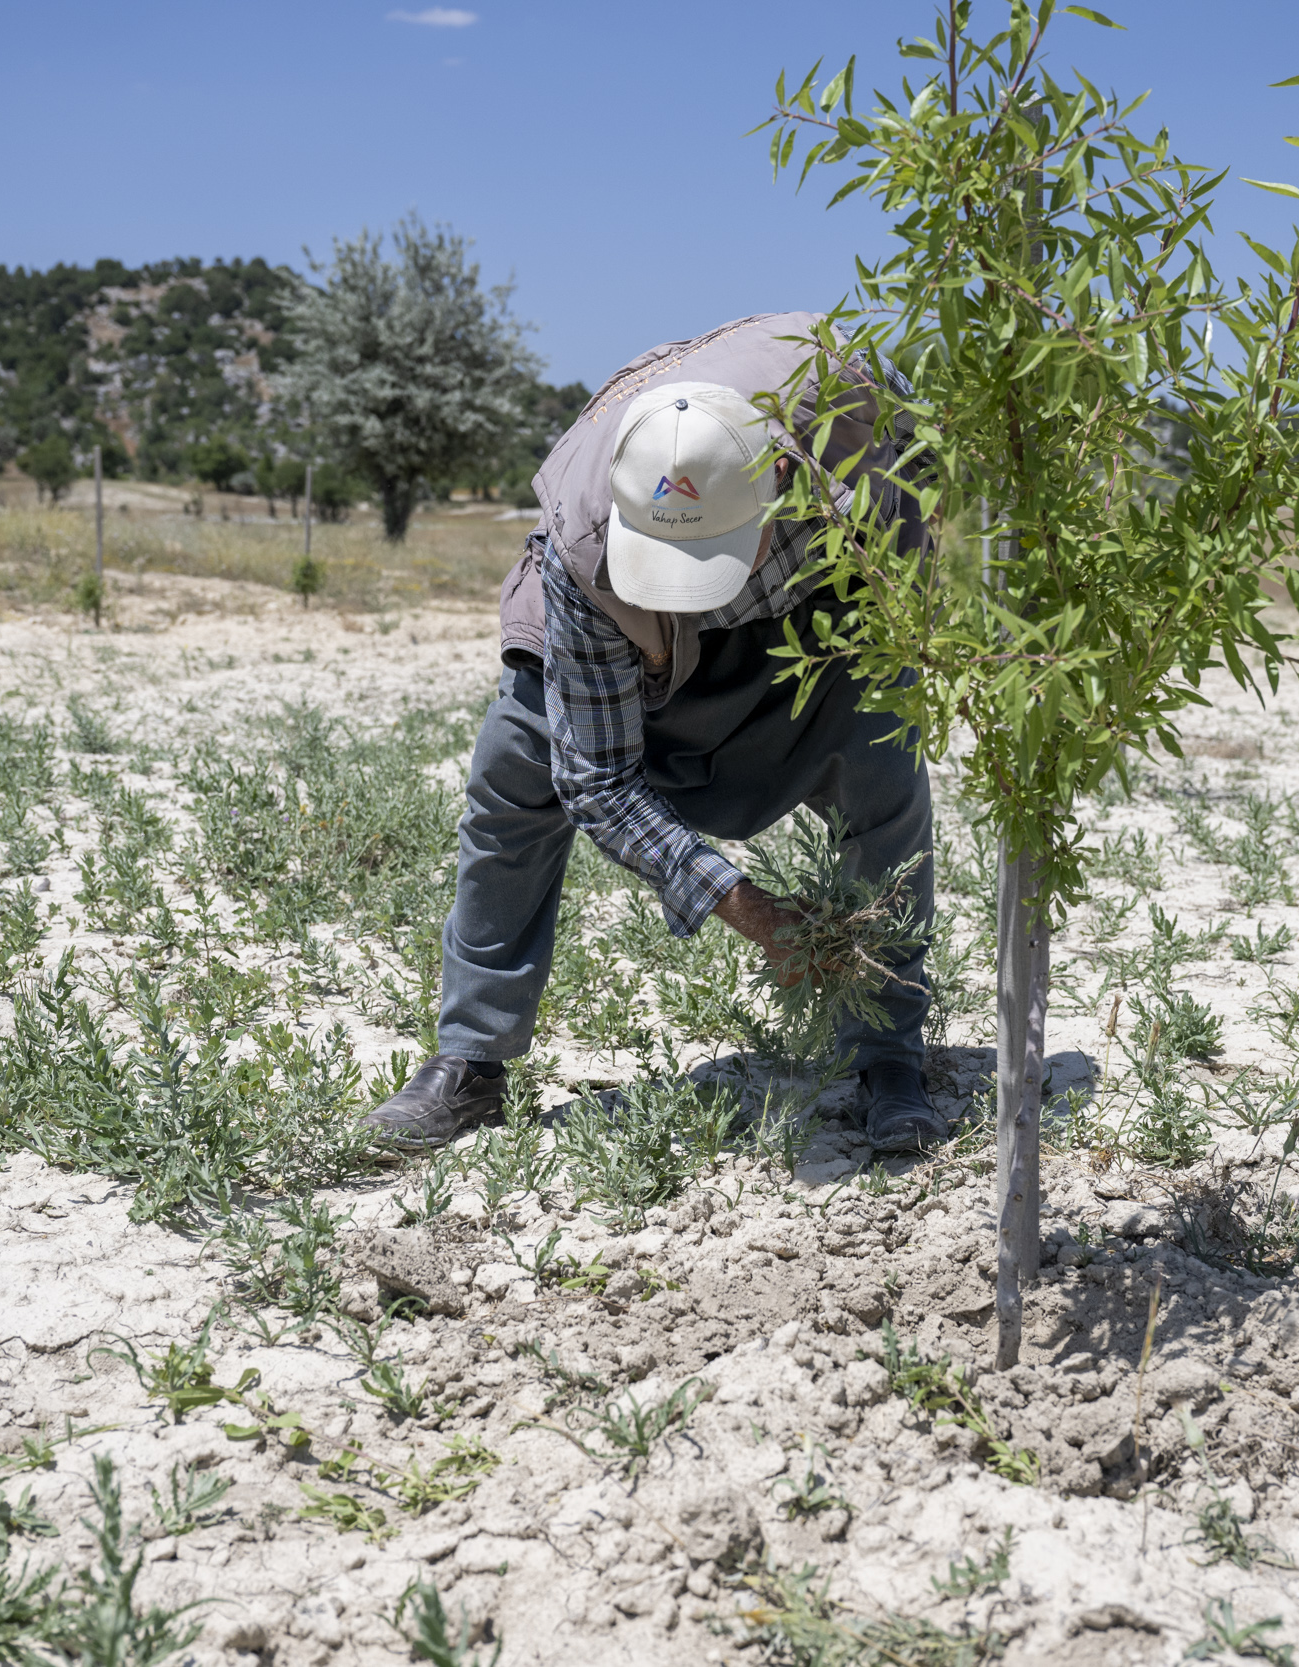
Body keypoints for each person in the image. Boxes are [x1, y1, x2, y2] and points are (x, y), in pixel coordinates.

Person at [363, 311, 946, 1154]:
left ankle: (890, 1051)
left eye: (707, 560)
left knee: (882, 764)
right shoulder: (588, 539)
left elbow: (925, 520)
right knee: (516, 769)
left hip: (813, 619)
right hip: (621, 644)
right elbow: (598, 782)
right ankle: (470, 1060)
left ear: (784, 476)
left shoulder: (852, 424)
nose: (686, 592)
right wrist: (751, 911)